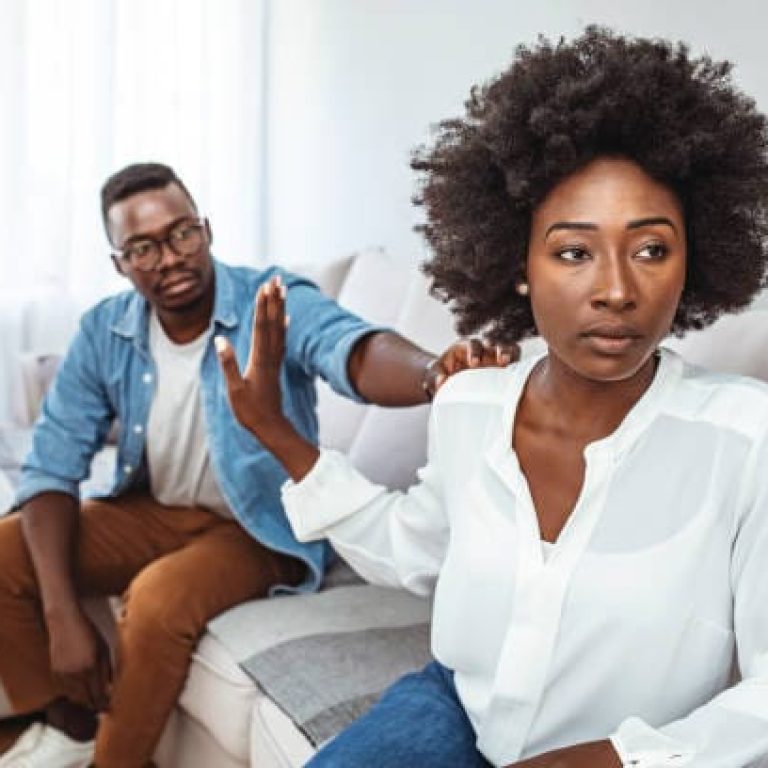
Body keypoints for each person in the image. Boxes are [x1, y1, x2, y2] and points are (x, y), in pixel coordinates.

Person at [217, 27, 768, 767]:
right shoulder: (470, 405)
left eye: (651, 250)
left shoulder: (746, 437)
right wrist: (274, 429)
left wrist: (619, 759)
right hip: (454, 707)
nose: (616, 289)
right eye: (574, 251)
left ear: (692, 260)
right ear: (519, 265)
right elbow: (413, 549)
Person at [0, 162, 512, 768]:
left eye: (181, 233)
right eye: (142, 248)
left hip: (260, 527)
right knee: (10, 549)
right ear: (119, 263)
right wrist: (62, 616)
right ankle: (70, 724)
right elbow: (51, 468)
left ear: (206, 229)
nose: (168, 257)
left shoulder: (273, 298)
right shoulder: (104, 330)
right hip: (158, 511)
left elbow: (350, 348)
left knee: (159, 602)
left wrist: (434, 374)